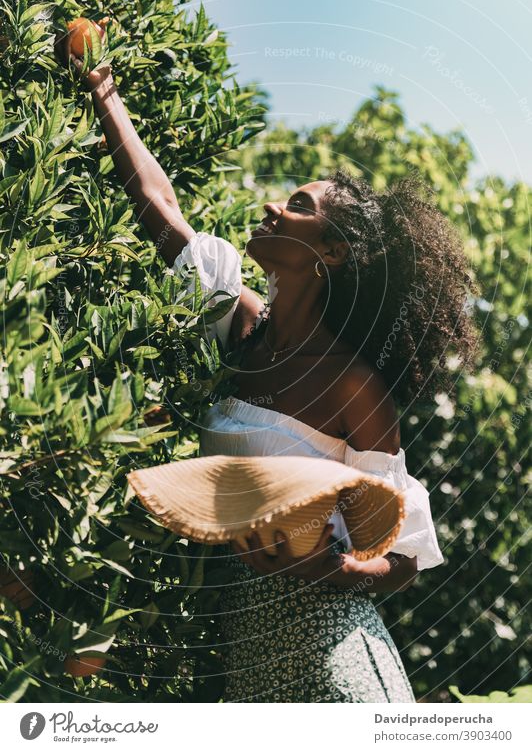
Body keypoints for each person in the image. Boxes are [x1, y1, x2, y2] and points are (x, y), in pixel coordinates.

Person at [55, 38, 478, 702]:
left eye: (298, 207)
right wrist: (103, 91)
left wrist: (339, 568)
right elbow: (159, 208)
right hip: (247, 655)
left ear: (330, 252)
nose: (272, 208)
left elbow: (405, 555)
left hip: (336, 654)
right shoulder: (245, 328)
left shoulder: (352, 386)